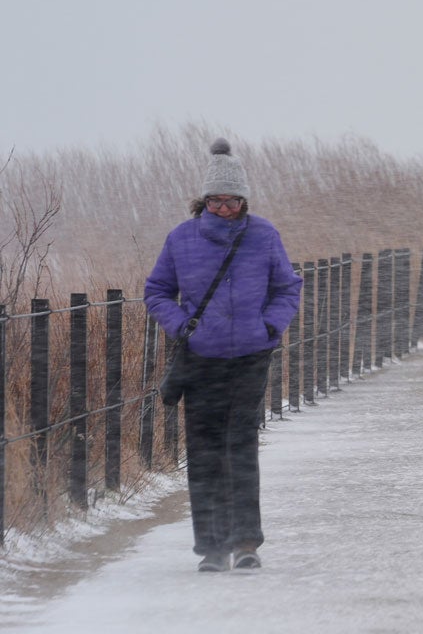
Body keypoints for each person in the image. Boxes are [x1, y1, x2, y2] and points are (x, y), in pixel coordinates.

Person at [144, 137, 302, 573]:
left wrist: (269, 327)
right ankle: (211, 547)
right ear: (203, 201)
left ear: (244, 200)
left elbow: (288, 286)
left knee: (241, 448)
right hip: (201, 360)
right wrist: (181, 327)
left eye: (232, 201)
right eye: (216, 201)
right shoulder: (181, 239)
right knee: (204, 452)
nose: (224, 209)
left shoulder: (264, 235)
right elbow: (156, 291)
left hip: (250, 358)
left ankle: (246, 542)